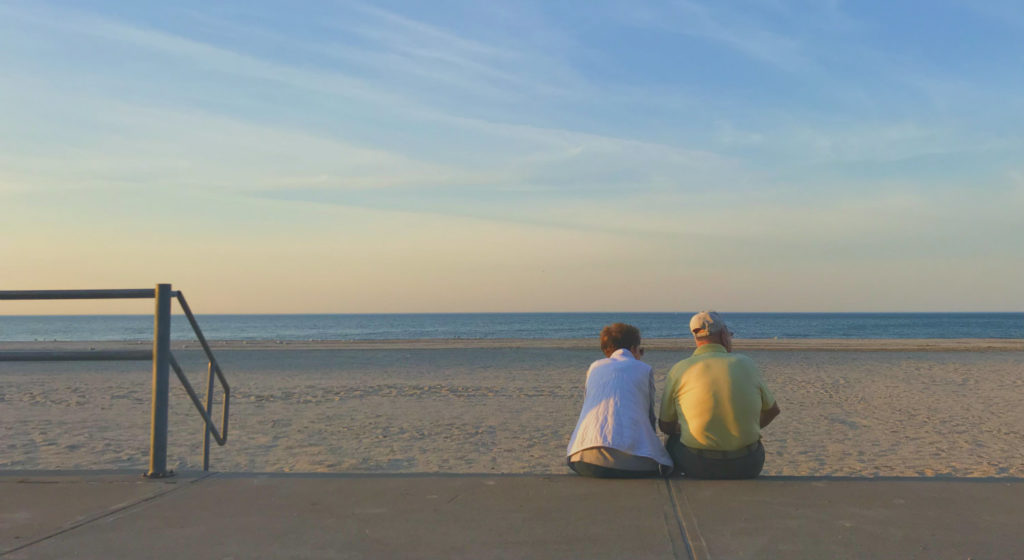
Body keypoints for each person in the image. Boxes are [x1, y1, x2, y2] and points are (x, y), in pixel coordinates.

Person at [659, 311, 780, 479]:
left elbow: (665, 425)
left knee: (672, 442)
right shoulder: (747, 364)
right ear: (723, 335)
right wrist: (750, 427)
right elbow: (773, 410)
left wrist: (685, 429)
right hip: (748, 464)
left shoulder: (680, 369)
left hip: (698, 464)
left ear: (695, 338)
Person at [566, 323, 673, 478]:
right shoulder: (644, 369)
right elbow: (650, 416)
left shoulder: (594, 367)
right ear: (633, 348)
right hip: (633, 465)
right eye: (640, 350)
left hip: (582, 459)